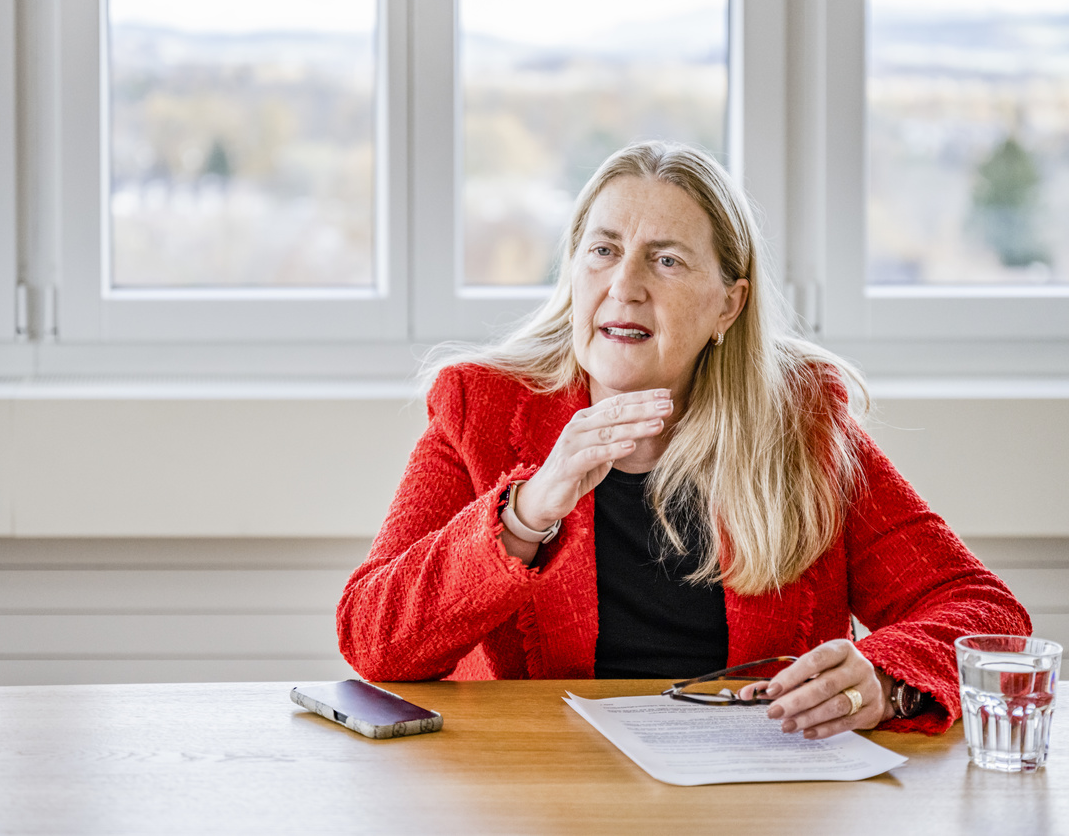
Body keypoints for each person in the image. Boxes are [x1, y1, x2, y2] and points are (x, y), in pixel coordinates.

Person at [337, 141, 1030, 738]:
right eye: (603, 250)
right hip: (545, 795)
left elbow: (985, 613)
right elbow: (372, 639)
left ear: (729, 303)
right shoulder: (482, 407)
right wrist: (524, 513)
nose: (624, 286)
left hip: (760, 802)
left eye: (666, 260)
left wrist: (883, 677)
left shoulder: (800, 422)